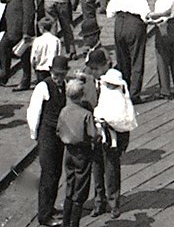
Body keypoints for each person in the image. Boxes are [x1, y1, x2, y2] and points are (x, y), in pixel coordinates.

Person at [27, 55, 68, 227]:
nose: (59, 79)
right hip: (47, 134)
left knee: (56, 172)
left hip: (58, 136)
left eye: (62, 75)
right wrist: (34, 134)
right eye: (56, 75)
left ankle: (50, 207)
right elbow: (33, 112)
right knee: (48, 175)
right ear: (51, 71)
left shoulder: (64, 86)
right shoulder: (43, 86)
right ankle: (44, 215)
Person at [92, 66, 135, 219]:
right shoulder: (102, 90)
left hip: (113, 138)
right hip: (97, 135)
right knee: (97, 168)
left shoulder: (120, 96)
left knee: (111, 170)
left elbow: (126, 119)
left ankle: (113, 202)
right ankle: (99, 200)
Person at [106, 0, 151, 103]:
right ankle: (134, 94)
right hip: (134, 24)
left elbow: (109, 13)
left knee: (122, 58)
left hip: (120, 23)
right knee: (136, 59)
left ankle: (123, 89)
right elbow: (145, 15)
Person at [57, 79, 98, 227]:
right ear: (82, 95)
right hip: (82, 152)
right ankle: (74, 224)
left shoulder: (64, 111)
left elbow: (58, 130)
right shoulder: (85, 114)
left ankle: (65, 223)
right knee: (80, 189)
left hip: (68, 151)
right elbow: (93, 135)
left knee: (70, 183)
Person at [0, 0, 35, 91]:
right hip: (10, 27)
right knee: (2, 47)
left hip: (21, 29)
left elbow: (29, 12)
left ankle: (25, 81)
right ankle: (4, 74)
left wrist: (26, 32)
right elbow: (3, 0)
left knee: (24, 57)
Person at [31, 18, 63, 84]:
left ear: (42, 28)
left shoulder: (37, 40)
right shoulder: (56, 40)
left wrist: (34, 66)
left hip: (40, 68)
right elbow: (58, 55)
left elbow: (33, 56)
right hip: (52, 69)